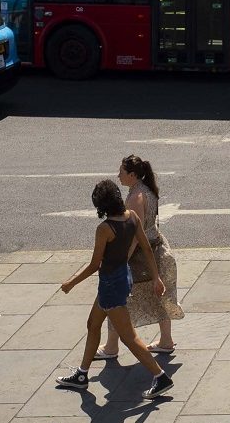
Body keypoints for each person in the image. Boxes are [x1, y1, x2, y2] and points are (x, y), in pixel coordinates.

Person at [55, 180, 173, 399]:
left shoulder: (105, 229)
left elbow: (94, 265)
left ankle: (160, 376)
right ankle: (82, 374)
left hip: (110, 285)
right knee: (93, 324)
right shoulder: (132, 217)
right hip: (122, 277)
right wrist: (156, 277)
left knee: (129, 338)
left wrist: (71, 283)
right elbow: (146, 248)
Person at [100, 155, 182, 360]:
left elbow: (136, 236)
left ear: (132, 175)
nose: (118, 175)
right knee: (160, 296)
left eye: (122, 172)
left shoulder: (136, 197)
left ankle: (111, 346)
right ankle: (166, 340)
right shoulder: (147, 190)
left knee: (118, 298)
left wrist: (122, 258)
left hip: (141, 257)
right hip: (158, 248)